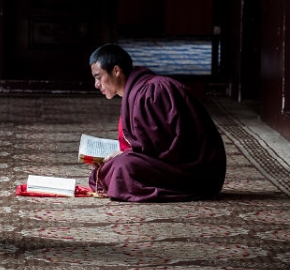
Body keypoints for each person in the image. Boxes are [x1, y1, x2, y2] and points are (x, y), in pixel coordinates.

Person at [87, 43, 227, 202]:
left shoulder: (151, 91)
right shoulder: (139, 90)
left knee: (122, 167)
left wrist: (124, 155)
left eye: (98, 77)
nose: (96, 84)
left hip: (195, 171)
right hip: (183, 163)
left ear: (116, 71)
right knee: (116, 166)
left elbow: (162, 149)